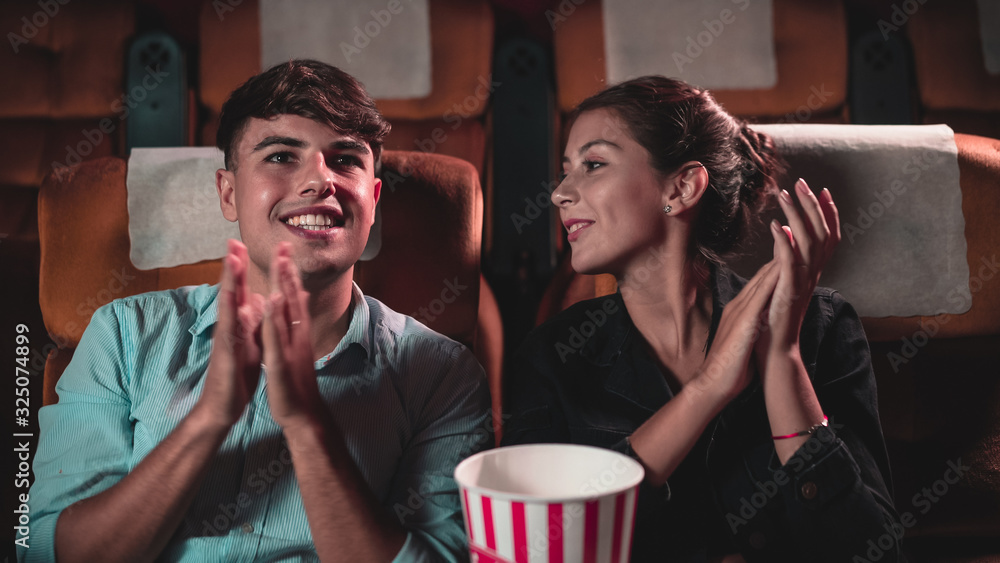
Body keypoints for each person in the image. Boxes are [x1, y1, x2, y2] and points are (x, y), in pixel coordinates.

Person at [21, 60, 491, 563]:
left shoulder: (443, 375)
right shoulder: (123, 334)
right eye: (282, 155)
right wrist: (210, 418)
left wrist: (307, 425)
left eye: (346, 160)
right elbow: (49, 552)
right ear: (228, 193)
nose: (318, 181)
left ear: (373, 201)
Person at [501, 76, 901, 562]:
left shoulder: (822, 326)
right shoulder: (550, 356)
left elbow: (873, 550)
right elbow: (541, 545)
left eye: (593, 164)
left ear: (683, 187)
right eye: (566, 171)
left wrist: (782, 357)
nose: (560, 193)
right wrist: (708, 389)